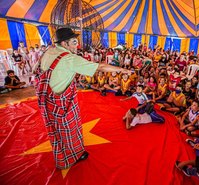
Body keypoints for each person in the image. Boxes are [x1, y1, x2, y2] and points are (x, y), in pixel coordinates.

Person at [34, 28, 129, 169]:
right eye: (73, 42)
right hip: (61, 103)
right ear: (65, 43)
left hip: (46, 100)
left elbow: (36, 70)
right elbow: (100, 66)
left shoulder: (49, 51)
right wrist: (122, 70)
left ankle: (61, 157)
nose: (76, 46)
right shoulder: (69, 58)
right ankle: (71, 159)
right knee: (69, 130)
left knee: (55, 131)